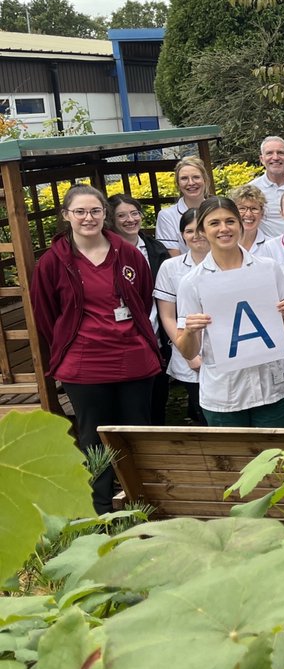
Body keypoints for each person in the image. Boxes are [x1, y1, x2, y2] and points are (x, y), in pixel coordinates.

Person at [32, 185, 161, 513]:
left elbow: (142, 299)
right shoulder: (52, 263)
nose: (88, 218)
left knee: (137, 433)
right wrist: (71, 344)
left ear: (105, 214)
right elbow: (46, 316)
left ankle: (143, 505)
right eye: (80, 212)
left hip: (132, 358)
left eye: (94, 211)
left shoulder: (128, 254)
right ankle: (100, 512)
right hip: (84, 365)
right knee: (92, 437)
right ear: (66, 216)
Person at [175, 197, 284, 427]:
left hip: (271, 389)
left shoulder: (268, 269)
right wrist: (191, 332)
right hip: (224, 396)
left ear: (240, 225)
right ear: (202, 230)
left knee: (276, 460)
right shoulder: (192, 282)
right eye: (214, 223)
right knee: (235, 462)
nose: (224, 229)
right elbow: (188, 351)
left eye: (230, 221)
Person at [108, 193, 171, 424]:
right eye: (121, 215)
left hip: (157, 335)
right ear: (111, 220)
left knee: (157, 401)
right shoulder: (105, 253)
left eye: (134, 213)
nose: (130, 220)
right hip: (123, 339)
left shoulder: (156, 250)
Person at [154, 208, 209, 425]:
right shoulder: (171, 267)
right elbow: (167, 316)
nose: (196, 235)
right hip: (189, 353)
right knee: (206, 418)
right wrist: (190, 355)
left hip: (229, 354)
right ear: (182, 235)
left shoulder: (232, 261)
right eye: (189, 231)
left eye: (201, 229)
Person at [155, 156, 212, 254]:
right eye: (184, 178)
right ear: (178, 184)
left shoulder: (217, 210)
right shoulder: (167, 216)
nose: (191, 183)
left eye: (196, 177)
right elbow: (174, 258)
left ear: (205, 180)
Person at [250, 136, 284, 236]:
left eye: (280, 153)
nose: (275, 157)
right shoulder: (252, 190)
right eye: (269, 153)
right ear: (262, 159)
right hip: (265, 249)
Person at [228, 185, 271, 257]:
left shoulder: (272, 246)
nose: (248, 214)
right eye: (242, 208)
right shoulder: (224, 244)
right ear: (233, 212)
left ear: (262, 213)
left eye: (254, 209)